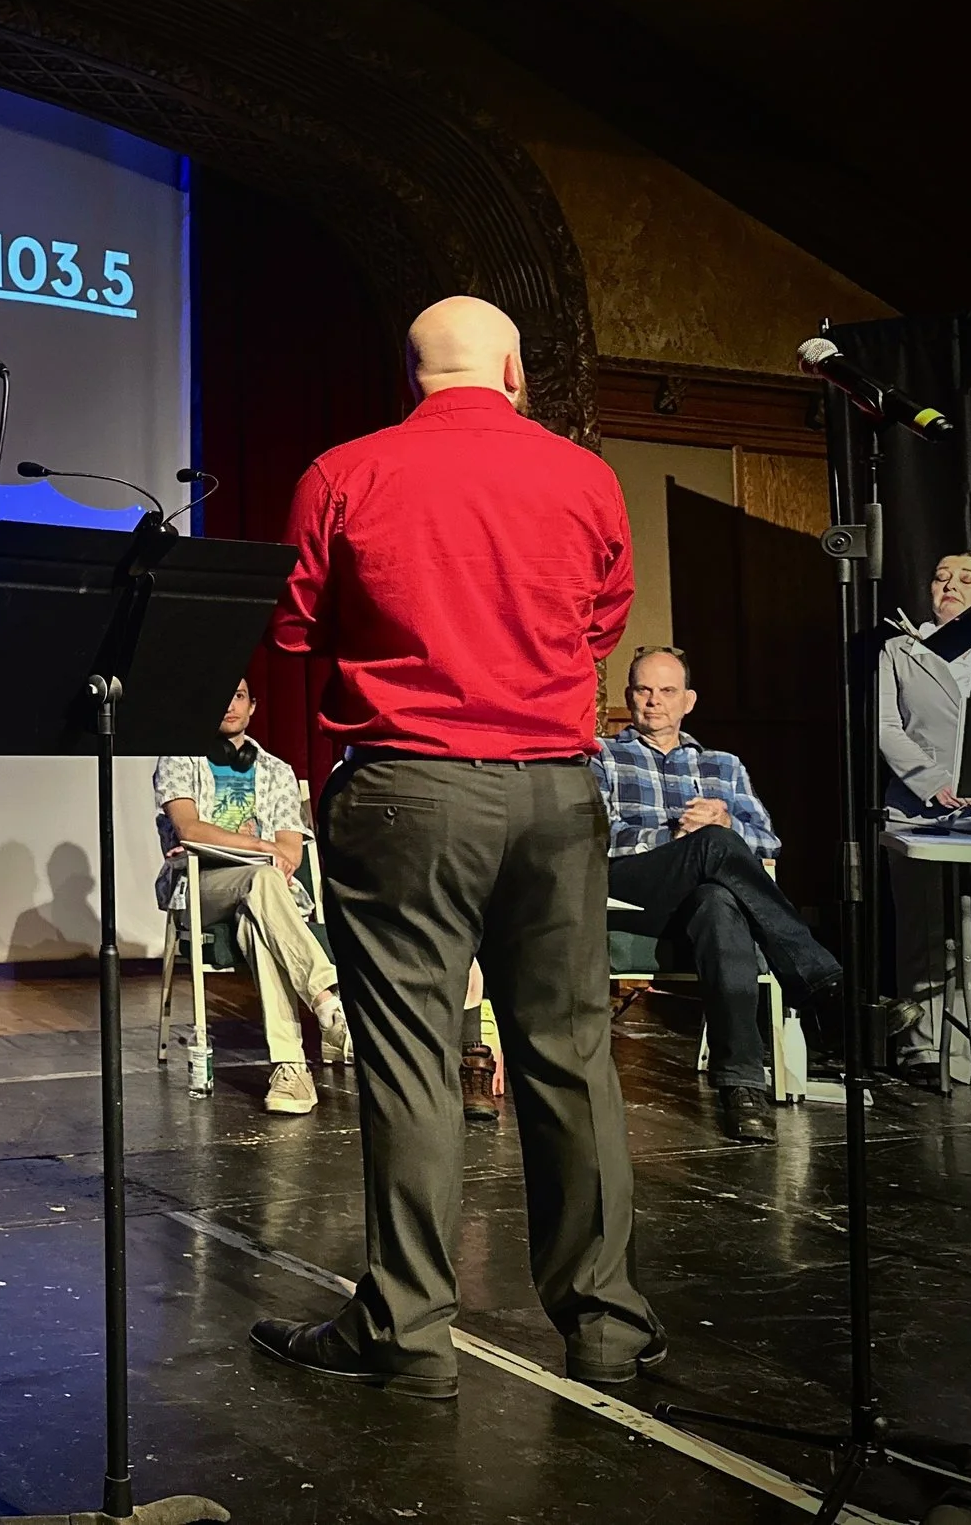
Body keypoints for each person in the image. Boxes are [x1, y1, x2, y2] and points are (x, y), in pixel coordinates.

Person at [251, 295, 664, 1402]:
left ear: (409, 374)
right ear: (516, 371)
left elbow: (292, 627)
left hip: (408, 788)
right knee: (569, 1058)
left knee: (411, 1061)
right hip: (552, 790)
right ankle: (608, 1325)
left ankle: (404, 1326)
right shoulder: (583, 477)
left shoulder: (345, 471)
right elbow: (598, 623)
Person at [594, 646, 845, 1143]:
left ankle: (742, 1087)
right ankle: (817, 977)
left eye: (667, 691)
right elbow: (599, 838)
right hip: (632, 888)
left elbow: (767, 841)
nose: (654, 702)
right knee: (712, 847)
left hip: (700, 894)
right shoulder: (602, 756)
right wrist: (682, 839)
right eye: (643, 690)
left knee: (719, 904)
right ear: (628, 696)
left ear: (688, 701)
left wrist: (727, 824)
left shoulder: (723, 766)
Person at [151, 677, 347, 1116]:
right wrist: (257, 844)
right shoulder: (180, 758)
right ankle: (326, 997)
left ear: (253, 705)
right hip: (202, 889)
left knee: (258, 920)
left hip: (262, 895)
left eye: (238, 695)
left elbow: (291, 853)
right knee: (260, 881)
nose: (229, 705)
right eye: (220, 695)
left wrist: (230, 842)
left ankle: (291, 1070)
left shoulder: (275, 771)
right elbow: (190, 830)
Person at [879, 551, 971, 1083]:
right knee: (927, 926)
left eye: (966, 578)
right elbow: (887, 726)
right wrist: (932, 782)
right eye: (940, 577)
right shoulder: (900, 650)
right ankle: (928, 1049)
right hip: (921, 808)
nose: (950, 584)